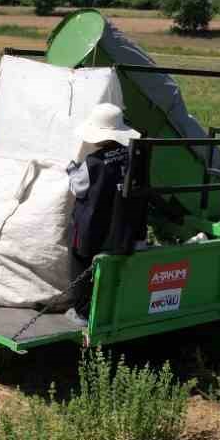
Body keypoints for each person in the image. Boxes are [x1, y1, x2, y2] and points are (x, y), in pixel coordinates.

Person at [64, 102, 146, 323]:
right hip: (121, 227)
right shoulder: (133, 156)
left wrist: (72, 167)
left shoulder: (93, 162)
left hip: (92, 227)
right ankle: (106, 306)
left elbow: (77, 187)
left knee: (80, 262)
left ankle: (81, 312)